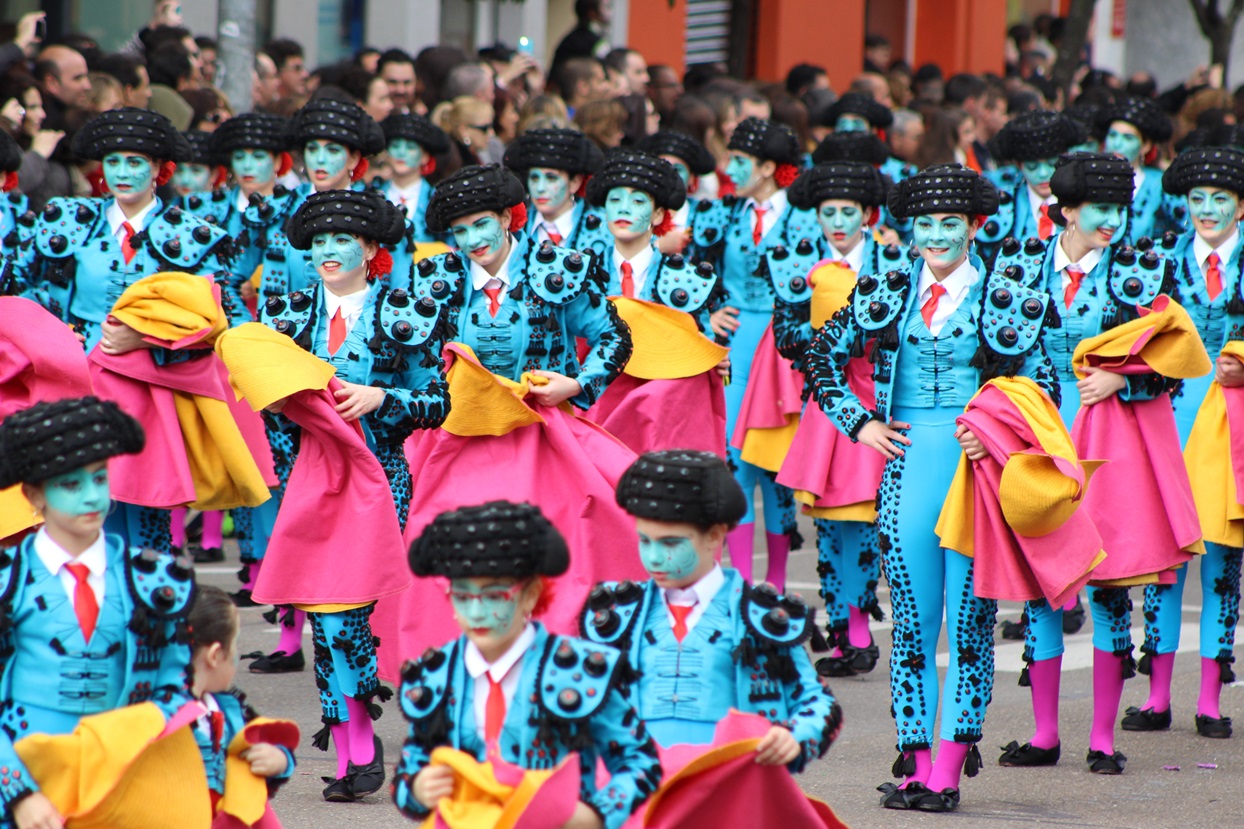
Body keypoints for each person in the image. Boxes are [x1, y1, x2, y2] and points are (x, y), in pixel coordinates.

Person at [804, 163, 1058, 810]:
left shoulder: (1008, 290)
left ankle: (948, 768)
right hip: (909, 464)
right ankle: (916, 760)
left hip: (976, 471)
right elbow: (821, 356)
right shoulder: (886, 284)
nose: (937, 235)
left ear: (975, 226)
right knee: (914, 624)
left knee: (969, 624)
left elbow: (1045, 387)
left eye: (950, 223)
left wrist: (999, 431)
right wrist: (859, 422)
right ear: (908, 229)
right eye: (926, 224)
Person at [990, 153, 1206, 773]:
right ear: (1065, 210)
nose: (1114, 221)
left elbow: (1174, 362)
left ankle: (1104, 739)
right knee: (1042, 590)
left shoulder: (1142, 269)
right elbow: (997, 355)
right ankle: (1044, 735)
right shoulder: (1018, 264)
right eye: (1101, 210)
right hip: (1038, 437)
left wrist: (1124, 383)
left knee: (1110, 591)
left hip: (1107, 446)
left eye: (1120, 209)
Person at [258, 188, 450, 800]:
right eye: (317, 243)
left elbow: (438, 401)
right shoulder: (285, 316)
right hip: (311, 478)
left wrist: (383, 399)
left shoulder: (408, 310)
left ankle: (361, 748)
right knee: (322, 613)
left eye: (341, 240)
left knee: (348, 616)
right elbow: (263, 405)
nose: (327, 252)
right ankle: (347, 752)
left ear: (371, 249)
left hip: (378, 474)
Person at [394, 501, 662, 828]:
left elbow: (640, 762)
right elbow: (411, 765)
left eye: (494, 596)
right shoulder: (436, 675)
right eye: (463, 597)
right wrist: (418, 788)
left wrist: (596, 814)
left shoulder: (578, 670)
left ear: (531, 595)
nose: (476, 614)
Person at [0, 396, 196, 829]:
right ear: (34, 495)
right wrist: (17, 791)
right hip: (29, 777)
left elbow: (174, 686)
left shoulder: (155, 580)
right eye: (71, 485)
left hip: (126, 781)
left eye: (99, 478)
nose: (91, 497)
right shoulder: (5, 583)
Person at [585, 449, 842, 765]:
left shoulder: (759, 616)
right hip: (641, 788)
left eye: (669, 543)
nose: (652, 558)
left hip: (728, 786)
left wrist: (795, 735)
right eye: (645, 541)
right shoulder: (619, 613)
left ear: (714, 536)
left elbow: (818, 703)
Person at [1128, 147, 1244, 739]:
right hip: (1167, 418)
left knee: (1224, 565)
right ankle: (1156, 694)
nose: (1206, 209)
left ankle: (1210, 699)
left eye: (1220, 199)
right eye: (1197, 199)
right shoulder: (1161, 258)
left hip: (1230, 425)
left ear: (1241, 206)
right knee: (1164, 562)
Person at [772, 161, 899, 677]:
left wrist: (850, 340)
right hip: (827, 398)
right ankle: (846, 629)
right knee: (828, 520)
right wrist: (828, 341)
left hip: (872, 400)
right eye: (829, 213)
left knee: (865, 520)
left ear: (868, 214)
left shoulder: (892, 264)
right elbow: (785, 335)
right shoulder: (803, 262)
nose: (839, 222)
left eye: (849, 212)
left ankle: (860, 628)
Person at [692, 116, 810, 588]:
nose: (729, 168)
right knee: (736, 457)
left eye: (739, 161)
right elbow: (696, 275)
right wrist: (710, 311)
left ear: (765, 167)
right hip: (738, 342)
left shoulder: (806, 218)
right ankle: (740, 580)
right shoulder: (723, 213)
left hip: (785, 345)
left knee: (776, 462)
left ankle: (777, 581)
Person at [188, 586, 296, 826]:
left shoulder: (228, 707)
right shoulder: (160, 718)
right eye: (234, 646)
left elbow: (261, 745)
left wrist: (279, 760)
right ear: (216, 655)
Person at [976, 110, 1088, 266]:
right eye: (1032, 166)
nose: (1043, 174)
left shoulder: (1084, 200)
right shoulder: (1000, 206)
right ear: (1019, 165)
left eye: (1051, 164)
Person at [503, 127, 611, 258]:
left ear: (575, 183)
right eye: (534, 178)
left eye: (551, 178)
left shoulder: (604, 228)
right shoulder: (514, 230)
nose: (540, 188)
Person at [375, 112, 451, 285]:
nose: (401, 152)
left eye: (410, 147)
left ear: (424, 156)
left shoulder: (439, 201)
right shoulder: (371, 197)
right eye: (395, 145)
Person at [1095, 96, 1184, 242]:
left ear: (1146, 145)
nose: (1116, 144)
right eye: (1112, 135)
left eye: (1128, 138)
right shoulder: (1090, 180)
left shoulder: (1160, 186)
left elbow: (1187, 229)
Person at [552, 0, 612, 71]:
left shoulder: (569, 39)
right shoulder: (596, 43)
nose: (610, 13)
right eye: (606, 7)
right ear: (592, 12)